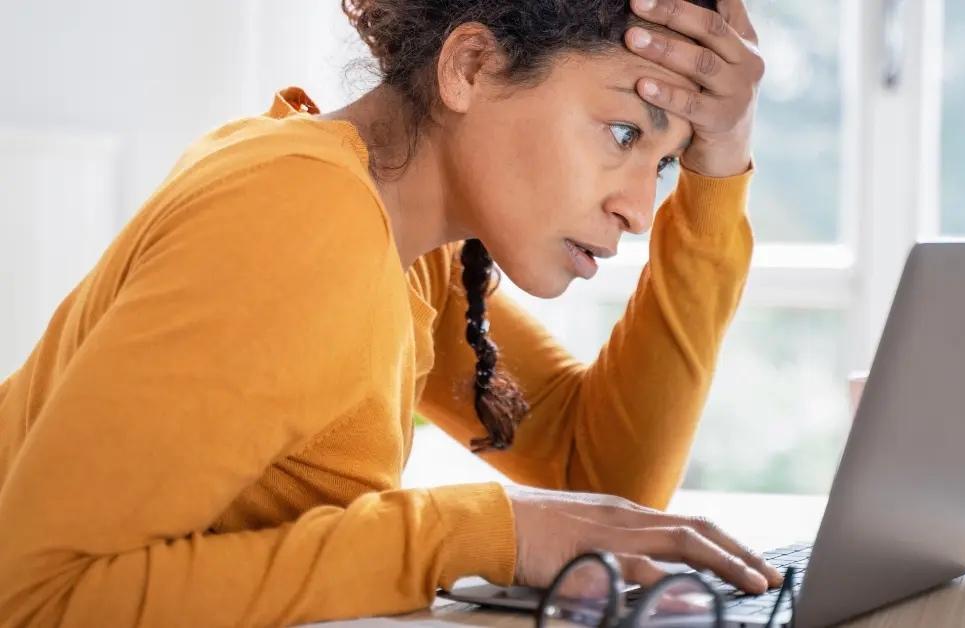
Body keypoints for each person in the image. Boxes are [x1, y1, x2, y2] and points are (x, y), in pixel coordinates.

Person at [0, 0, 779, 624]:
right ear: (470, 66)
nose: (641, 211)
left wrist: (724, 164)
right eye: (622, 133)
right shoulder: (302, 219)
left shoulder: (409, 240)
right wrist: (468, 532)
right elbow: (33, 599)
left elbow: (599, 482)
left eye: (668, 164)